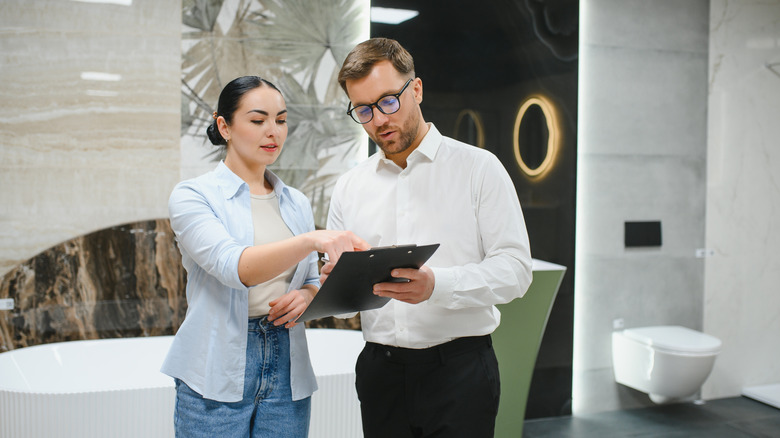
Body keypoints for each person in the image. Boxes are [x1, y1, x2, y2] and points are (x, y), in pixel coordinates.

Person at [323, 38, 534, 437]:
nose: (379, 120)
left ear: (415, 89)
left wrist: (438, 285)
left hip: (460, 372)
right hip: (379, 372)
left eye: (388, 101)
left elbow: (516, 271)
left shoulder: (479, 169)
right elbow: (346, 306)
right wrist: (335, 282)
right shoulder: (349, 187)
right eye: (364, 110)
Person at [161, 75, 368, 437]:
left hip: (287, 365)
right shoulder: (193, 196)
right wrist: (310, 240)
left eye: (281, 119)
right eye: (258, 121)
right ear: (224, 125)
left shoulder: (296, 202)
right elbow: (234, 266)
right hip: (216, 369)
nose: (273, 131)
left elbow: (309, 279)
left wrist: (307, 294)